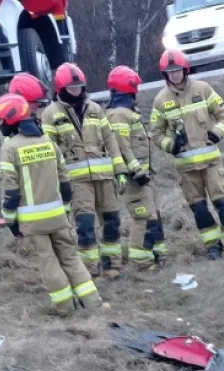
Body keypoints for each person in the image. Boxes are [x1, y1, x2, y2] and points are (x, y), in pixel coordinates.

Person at [0, 92, 103, 315]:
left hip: (32, 222)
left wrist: (10, 221)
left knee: (48, 262)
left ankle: (65, 307)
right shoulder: (48, 142)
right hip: (58, 216)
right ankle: (93, 303)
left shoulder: (10, 148)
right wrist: (64, 209)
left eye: (1, 121)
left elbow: (11, 191)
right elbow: (65, 181)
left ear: (10, 120)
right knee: (71, 257)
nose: (0, 125)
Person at [150, 49, 224, 260]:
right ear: (165, 74)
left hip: (212, 163)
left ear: (184, 70)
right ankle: (213, 246)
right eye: (170, 71)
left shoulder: (203, 89)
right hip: (186, 169)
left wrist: (216, 133)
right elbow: (155, 133)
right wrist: (171, 145)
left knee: (223, 205)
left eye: (177, 70)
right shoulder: (160, 100)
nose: (174, 74)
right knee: (199, 210)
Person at [41, 63, 128, 279]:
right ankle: (90, 271)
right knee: (85, 226)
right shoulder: (51, 113)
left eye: (79, 86)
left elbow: (110, 140)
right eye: (71, 87)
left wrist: (120, 170)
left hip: (105, 177)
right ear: (61, 88)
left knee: (112, 221)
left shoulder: (95, 109)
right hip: (76, 182)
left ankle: (111, 266)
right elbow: (50, 149)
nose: (76, 90)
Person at [105, 65, 167, 272]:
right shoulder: (119, 115)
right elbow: (121, 146)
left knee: (153, 215)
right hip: (134, 179)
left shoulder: (128, 112)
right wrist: (136, 170)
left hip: (143, 177)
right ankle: (142, 263)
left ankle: (156, 255)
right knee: (142, 217)